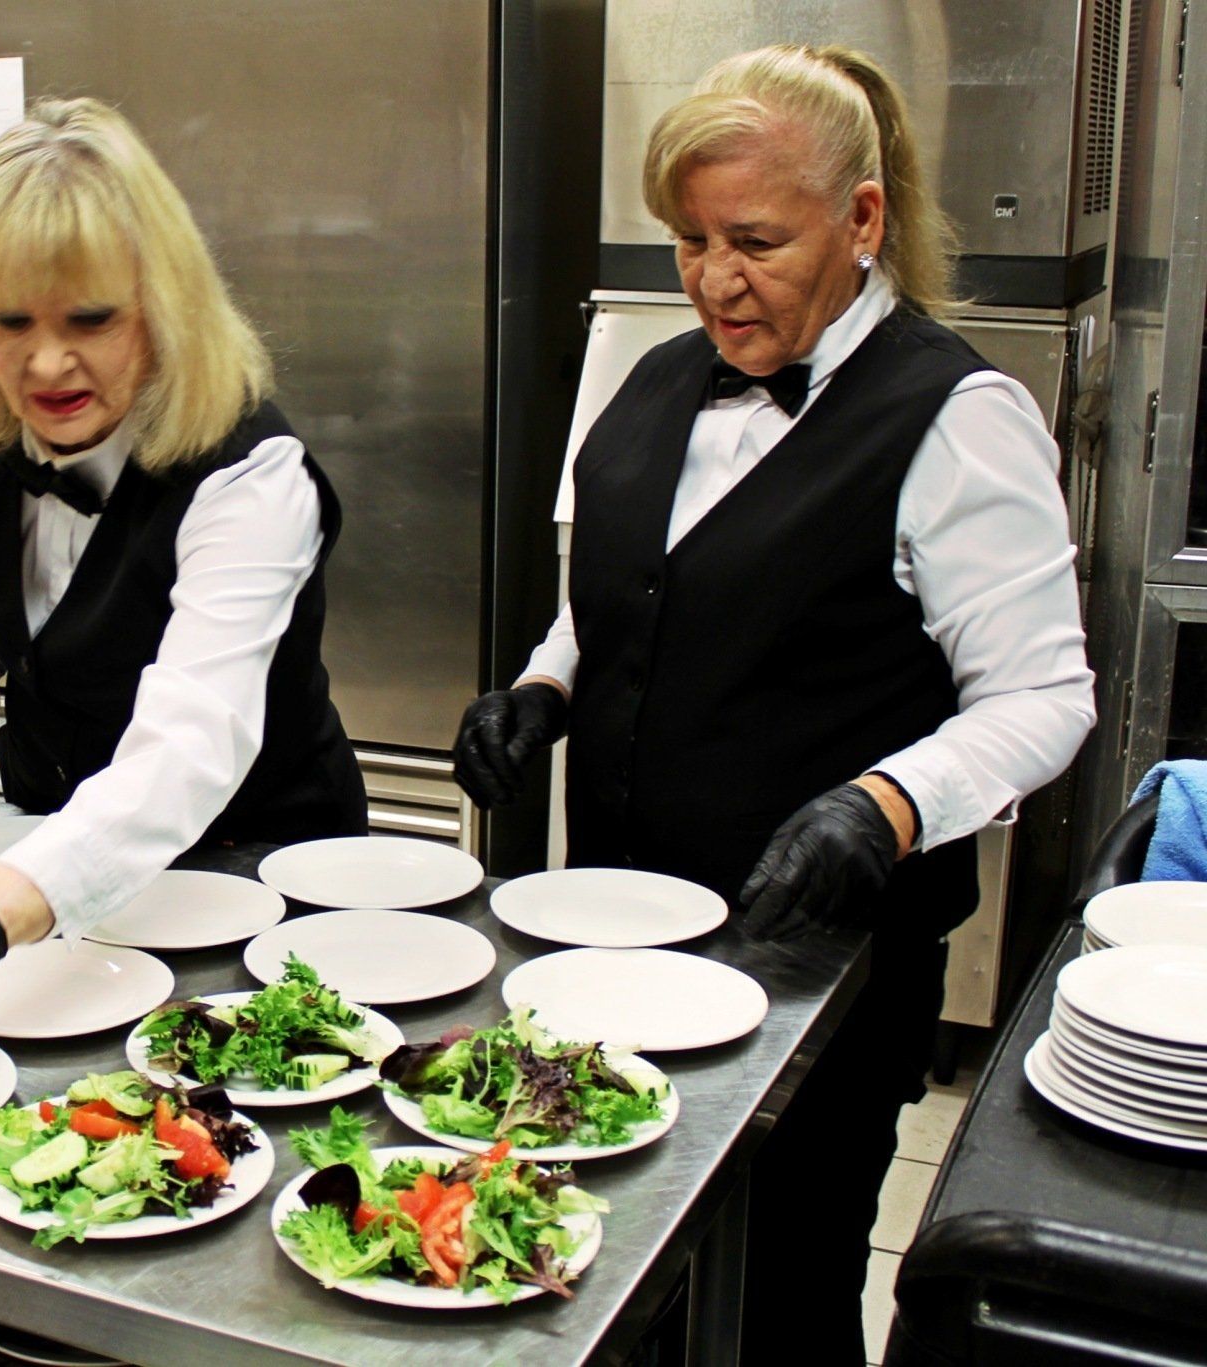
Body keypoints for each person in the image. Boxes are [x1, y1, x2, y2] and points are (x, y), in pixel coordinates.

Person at [453, 45, 1094, 1361]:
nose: (712, 278)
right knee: (616, 1270)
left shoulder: (957, 417)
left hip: (818, 969)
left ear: (861, 219)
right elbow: (631, 581)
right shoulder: (653, 373)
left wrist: (884, 805)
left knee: (783, 1294)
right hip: (617, 934)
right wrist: (541, 684)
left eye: (753, 239)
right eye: (688, 238)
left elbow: (1044, 695)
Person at [0, 98, 365, 1035]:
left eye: (92, 318)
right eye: (10, 321)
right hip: (55, 870)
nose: (47, 361)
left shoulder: (252, 476)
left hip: (256, 882)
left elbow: (189, 745)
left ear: (162, 305)